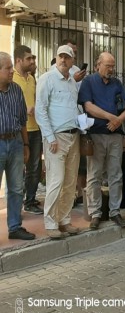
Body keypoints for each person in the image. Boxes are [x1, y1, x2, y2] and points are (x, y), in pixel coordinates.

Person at [78, 52, 125, 230]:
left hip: (115, 136)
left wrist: (119, 119)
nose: (111, 69)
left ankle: (115, 211)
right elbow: (88, 106)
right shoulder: (89, 82)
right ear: (98, 65)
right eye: (108, 65)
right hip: (96, 135)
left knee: (116, 175)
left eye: (113, 65)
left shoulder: (117, 83)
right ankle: (95, 213)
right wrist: (111, 117)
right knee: (94, 176)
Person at [35, 46, 82, 239]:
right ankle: (51, 223)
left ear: (72, 61)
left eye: (67, 57)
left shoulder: (72, 81)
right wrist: (50, 137)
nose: (63, 60)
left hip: (74, 136)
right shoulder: (47, 79)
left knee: (70, 183)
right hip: (57, 138)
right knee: (56, 181)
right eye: (61, 56)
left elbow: (74, 107)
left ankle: (64, 220)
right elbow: (40, 110)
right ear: (56, 58)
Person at [0, 51, 35, 240]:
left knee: (16, 187)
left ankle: (15, 227)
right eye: (7, 68)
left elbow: (22, 120)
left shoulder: (16, 90)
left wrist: (26, 145)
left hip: (15, 143)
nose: (11, 71)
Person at [13, 45, 42, 215]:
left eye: (33, 58)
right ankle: (16, 204)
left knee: (34, 167)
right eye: (29, 58)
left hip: (35, 128)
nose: (32, 61)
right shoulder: (11, 78)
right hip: (18, 130)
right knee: (17, 169)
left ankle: (30, 201)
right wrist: (24, 111)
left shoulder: (32, 78)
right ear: (19, 60)